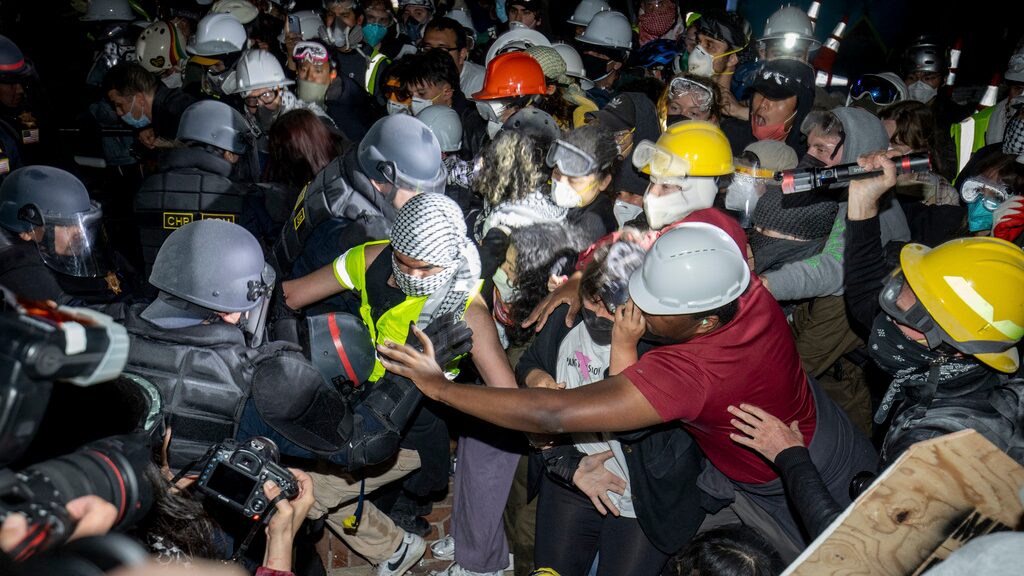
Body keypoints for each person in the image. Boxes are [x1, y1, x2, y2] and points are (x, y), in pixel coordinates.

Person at [378, 221, 878, 563]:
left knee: (842, 559)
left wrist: (439, 388)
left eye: (652, 306)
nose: (632, 306)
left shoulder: (690, 373)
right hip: (819, 422)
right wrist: (580, 277)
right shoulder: (733, 275)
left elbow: (552, 414)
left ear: (702, 320)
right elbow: (637, 236)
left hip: (781, 480)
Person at [842, 151, 1024, 466]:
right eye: (978, 188)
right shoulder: (944, 225)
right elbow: (866, 301)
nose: (892, 311)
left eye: (996, 196)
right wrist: (863, 202)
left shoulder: (934, 439)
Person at [272, 113, 446, 285]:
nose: (424, 199)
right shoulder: (361, 230)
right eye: (415, 189)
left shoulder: (349, 168)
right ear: (379, 180)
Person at [134, 99, 255, 278]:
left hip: (157, 298)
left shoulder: (147, 189)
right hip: (221, 301)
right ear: (228, 150)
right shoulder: (241, 195)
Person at [0, 166, 129, 304]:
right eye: (67, 225)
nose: (79, 232)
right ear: (27, 231)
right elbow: (71, 314)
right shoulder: (19, 269)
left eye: (83, 225)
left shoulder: (85, 253)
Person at [720, 57, 815, 157]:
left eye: (776, 98)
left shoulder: (808, 159)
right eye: (759, 93)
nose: (762, 105)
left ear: (800, 111)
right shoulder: (730, 135)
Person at [546, 124, 620, 242]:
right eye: (557, 173)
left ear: (604, 182)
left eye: (573, 179)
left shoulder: (595, 227)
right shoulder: (570, 207)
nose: (561, 183)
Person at [105, 61, 196, 147]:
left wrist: (171, 148)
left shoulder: (179, 115)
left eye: (119, 105)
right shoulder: (168, 107)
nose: (118, 112)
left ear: (140, 98)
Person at [574, 10, 632, 108]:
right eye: (587, 49)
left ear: (617, 63)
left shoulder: (628, 94)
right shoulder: (574, 83)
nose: (590, 54)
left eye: (599, 53)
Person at [422, 16, 486, 100]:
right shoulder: (418, 76)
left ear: (462, 54)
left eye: (442, 50)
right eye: (428, 49)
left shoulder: (482, 83)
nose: (433, 55)